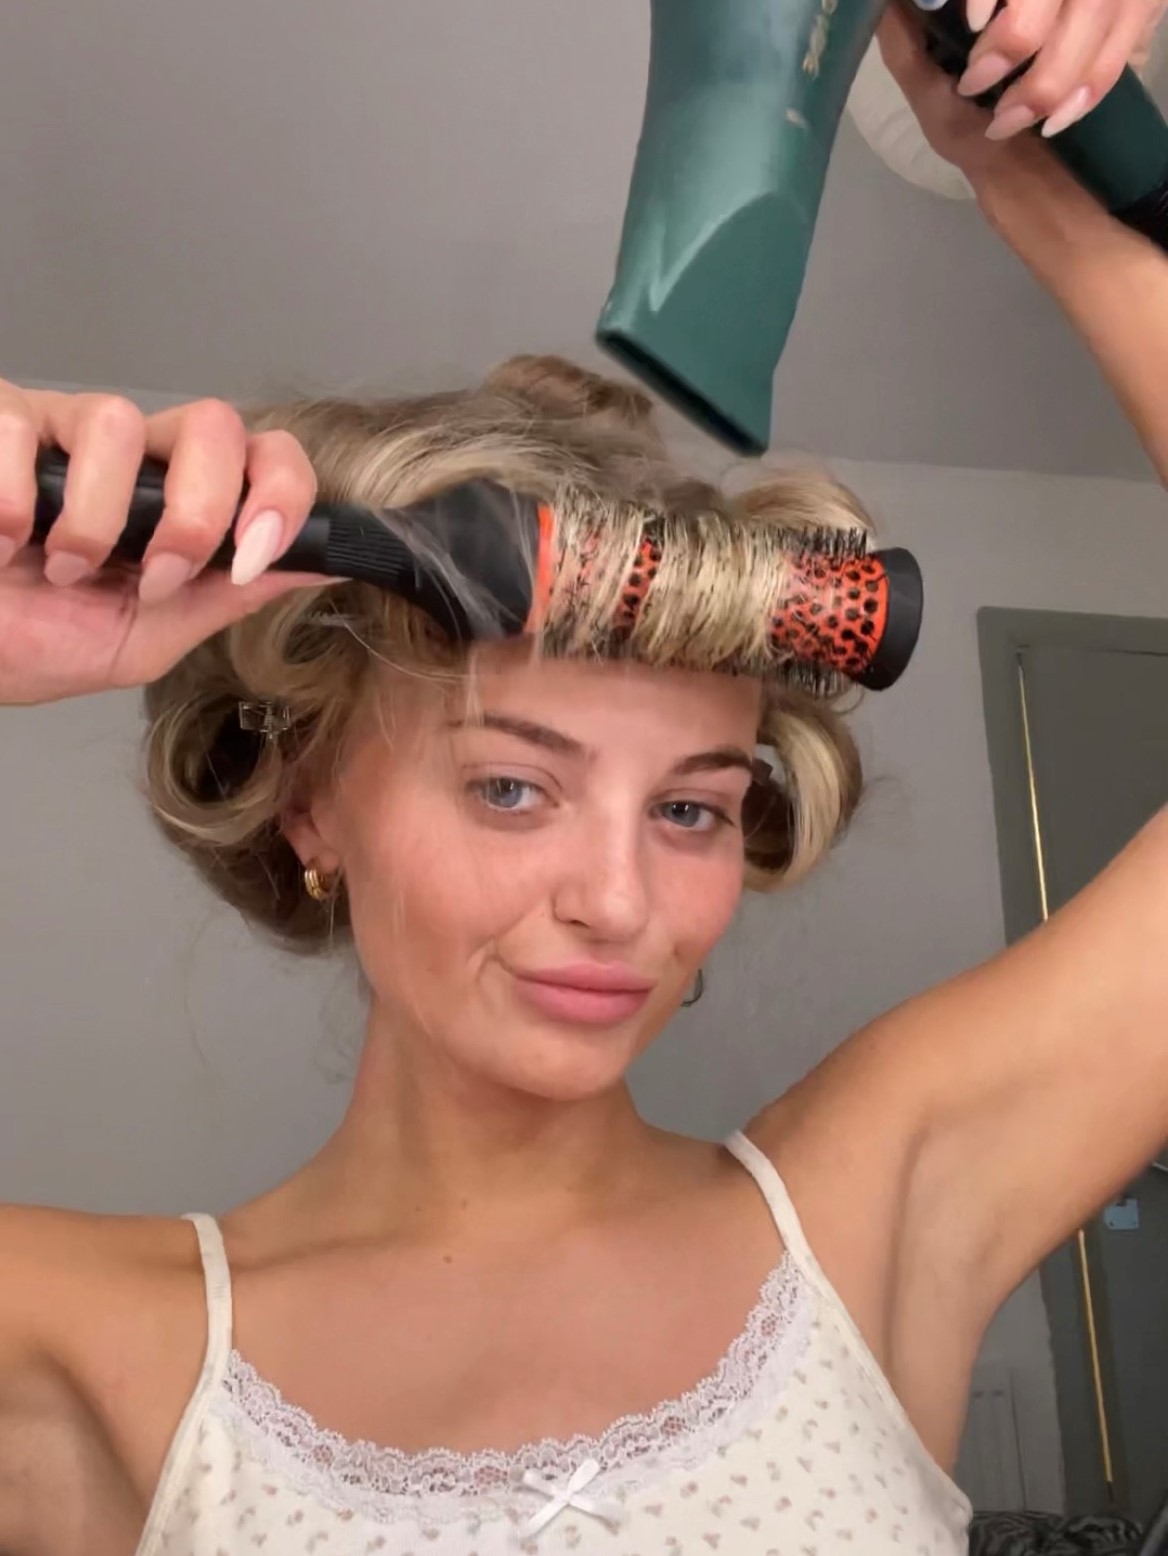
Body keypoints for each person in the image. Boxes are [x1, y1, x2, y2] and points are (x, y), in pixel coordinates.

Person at [1, 14, 1166, 1556]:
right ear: (310, 803)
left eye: (690, 808)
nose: (621, 905)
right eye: (511, 789)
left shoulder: (877, 1208)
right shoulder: (75, 1349)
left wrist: (1027, 173)